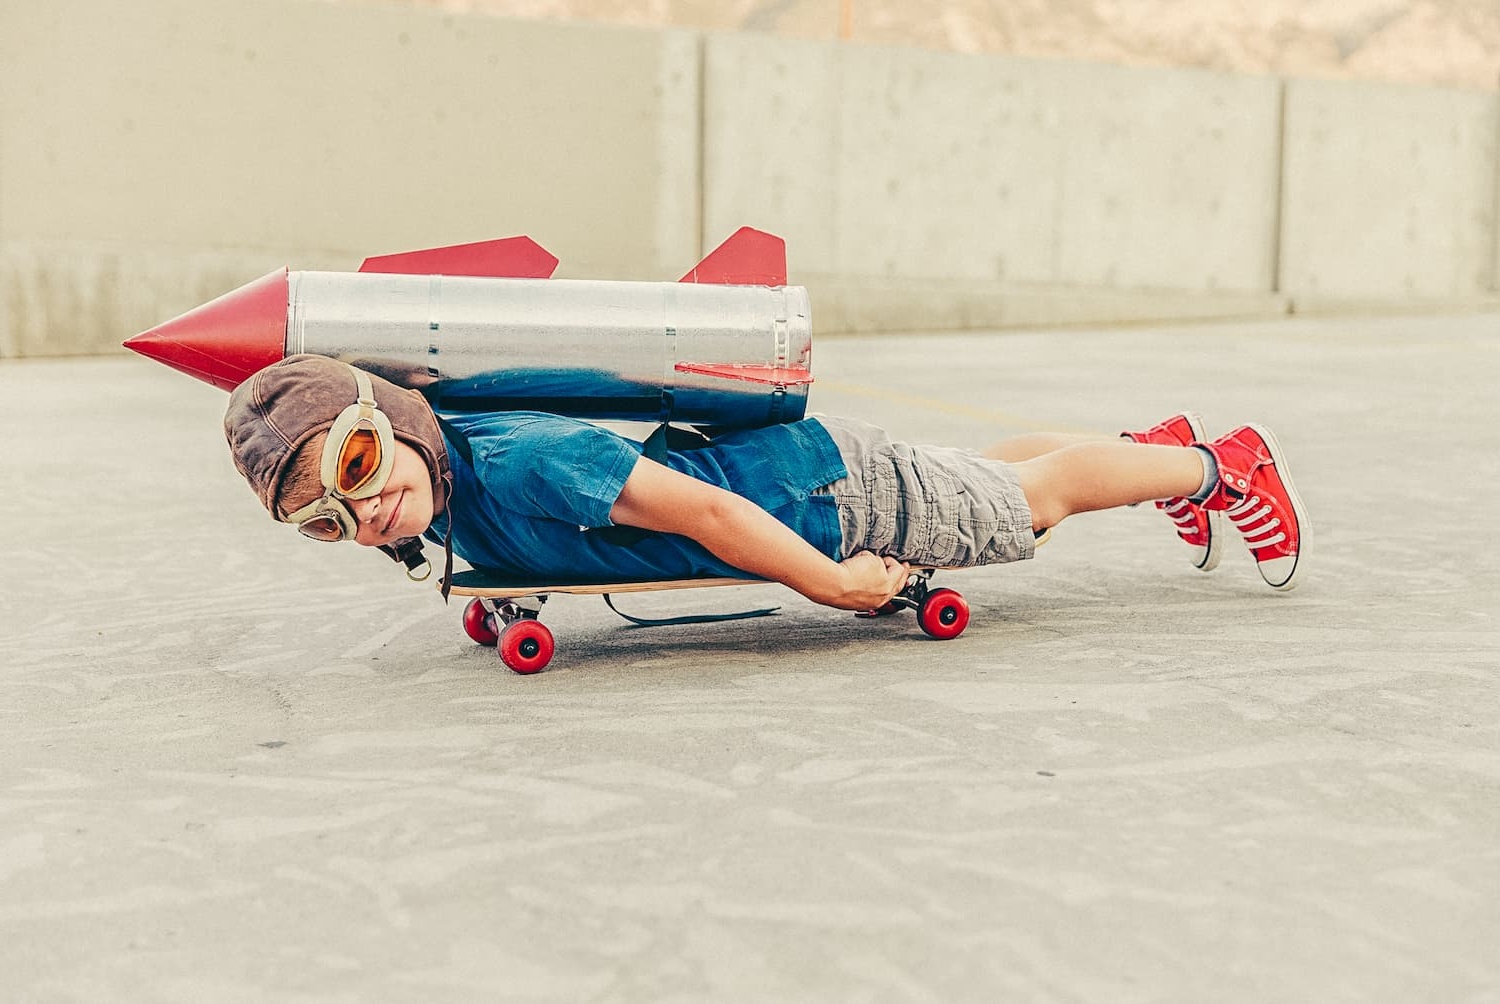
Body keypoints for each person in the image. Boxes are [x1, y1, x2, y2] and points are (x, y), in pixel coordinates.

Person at [223, 354, 1308, 611]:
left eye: (356, 467)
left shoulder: (519, 460)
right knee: (989, 474)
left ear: (392, 419)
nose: (362, 511)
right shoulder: (451, 473)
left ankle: (1219, 466)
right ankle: (1155, 450)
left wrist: (833, 583)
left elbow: (704, 512)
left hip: (817, 502)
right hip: (807, 478)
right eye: (327, 519)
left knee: (1036, 500)